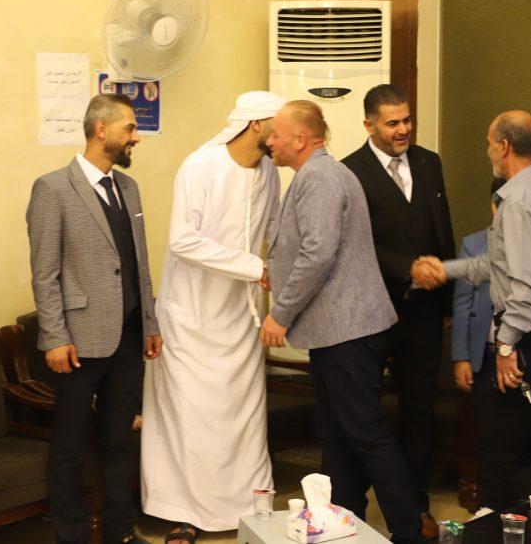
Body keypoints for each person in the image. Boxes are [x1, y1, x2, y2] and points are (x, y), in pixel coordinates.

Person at [260, 100, 422, 544]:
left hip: (349, 330)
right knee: (336, 435)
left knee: (366, 434)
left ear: (300, 139)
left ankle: (410, 531)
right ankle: (344, 522)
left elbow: (318, 253)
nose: (269, 140)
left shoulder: (321, 177)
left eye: (276, 133)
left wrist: (280, 313)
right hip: (338, 330)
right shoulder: (318, 174)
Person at [415, 111, 531, 510]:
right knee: (526, 446)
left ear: (503, 146)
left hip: (527, 339)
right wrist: (445, 269)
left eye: (489, 144)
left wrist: (506, 347)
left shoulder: (519, 203)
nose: (488, 151)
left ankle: (522, 530)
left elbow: (526, 287)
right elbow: (499, 265)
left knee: (507, 456)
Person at [142, 91, 284, 538]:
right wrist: (255, 268)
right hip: (190, 317)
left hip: (241, 317)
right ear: (256, 124)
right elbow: (183, 240)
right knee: (189, 421)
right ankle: (183, 514)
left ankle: (247, 508)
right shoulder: (200, 165)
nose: (283, 135)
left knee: (243, 422)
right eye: (278, 125)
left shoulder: (269, 172)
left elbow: (274, 231)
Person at [27, 94, 162, 544]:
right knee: (69, 447)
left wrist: (150, 323)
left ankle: (120, 532)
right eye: (130, 128)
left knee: (118, 440)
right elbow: (44, 271)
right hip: (78, 340)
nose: (136, 137)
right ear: (101, 129)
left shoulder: (129, 187)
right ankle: (71, 536)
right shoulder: (53, 188)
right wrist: (54, 337)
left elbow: (139, 262)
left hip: (129, 335)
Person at [340, 84, 454, 536]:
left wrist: (448, 301)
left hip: (424, 313)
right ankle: (351, 506)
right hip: (370, 311)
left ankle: (415, 506)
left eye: (407, 120)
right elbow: (354, 245)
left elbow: (442, 230)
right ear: (369, 125)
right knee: (363, 412)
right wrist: (407, 267)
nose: (403, 129)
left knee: (418, 412)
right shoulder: (350, 171)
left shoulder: (429, 162)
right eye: (392, 123)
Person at [450, 178, 504, 394]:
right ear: (494, 206)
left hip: (527, 353)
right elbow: (462, 302)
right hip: (483, 351)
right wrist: (460, 356)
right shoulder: (473, 245)